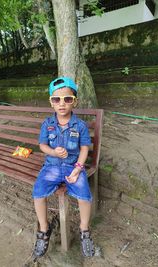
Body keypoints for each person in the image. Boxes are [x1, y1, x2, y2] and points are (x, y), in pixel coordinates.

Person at [32, 76, 95, 258]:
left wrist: (77, 169)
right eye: (56, 99)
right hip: (51, 166)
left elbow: (84, 149)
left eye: (67, 99)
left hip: (72, 167)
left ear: (74, 102)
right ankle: (44, 229)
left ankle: (84, 229)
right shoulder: (48, 124)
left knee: (84, 193)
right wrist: (53, 152)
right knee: (38, 192)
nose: (62, 104)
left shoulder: (80, 125)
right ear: (51, 102)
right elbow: (42, 145)